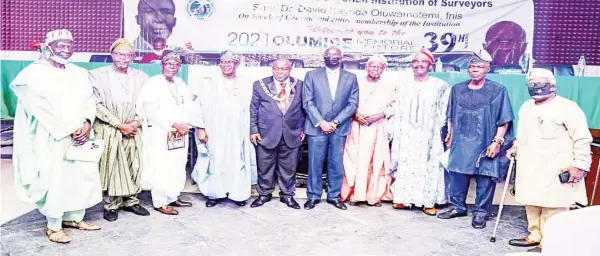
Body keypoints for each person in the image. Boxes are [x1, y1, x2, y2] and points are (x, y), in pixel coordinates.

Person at [10, 29, 101, 243]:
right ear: (48, 47)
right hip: (52, 136)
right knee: (55, 178)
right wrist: (69, 128)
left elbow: (90, 100)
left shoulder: (78, 73)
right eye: (61, 46)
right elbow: (38, 107)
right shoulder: (33, 74)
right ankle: (53, 225)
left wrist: (87, 122)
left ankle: (74, 218)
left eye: (70, 46)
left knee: (80, 175)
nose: (66, 50)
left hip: (81, 135)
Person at [507, 68, 592, 252]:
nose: (536, 87)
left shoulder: (568, 107)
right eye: (532, 84)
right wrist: (515, 147)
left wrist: (579, 165)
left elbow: (582, 139)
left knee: (553, 206)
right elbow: (522, 136)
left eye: (541, 83)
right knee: (531, 201)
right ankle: (534, 235)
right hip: (530, 166)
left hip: (556, 166)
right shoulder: (526, 107)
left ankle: (550, 242)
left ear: (553, 85)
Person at [437, 49, 515, 229]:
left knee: (485, 175)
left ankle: (481, 212)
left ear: (487, 69)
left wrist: (497, 141)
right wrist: (451, 136)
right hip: (461, 140)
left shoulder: (498, 90)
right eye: (471, 67)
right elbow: (452, 116)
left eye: (479, 67)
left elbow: (504, 119)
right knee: (457, 173)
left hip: (486, 139)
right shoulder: (457, 89)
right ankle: (457, 207)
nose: (474, 70)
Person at [89, 38, 151, 222]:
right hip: (110, 127)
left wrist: (135, 122)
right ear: (112, 55)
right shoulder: (96, 75)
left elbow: (148, 104)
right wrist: (118, 124)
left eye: (128, 55)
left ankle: (131, 201)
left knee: (134, 163)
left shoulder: (141, 77)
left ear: (133, 57)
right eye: (119, 54)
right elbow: (95, 104)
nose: (123, 58)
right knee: (112, 165)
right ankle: (111, 204)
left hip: (133, 127)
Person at [136, 50, 199, 215]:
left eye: (176, 64)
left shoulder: (180, 83)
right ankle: (160, 202)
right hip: (161, 132)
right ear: (162, 65)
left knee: (178, 165)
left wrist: (186, 125)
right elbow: (150, 110)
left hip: (180, 134)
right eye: (169, 63)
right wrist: (174, 125)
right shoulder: (153, 83)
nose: (172, 67)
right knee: (162, 166)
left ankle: (173, 197)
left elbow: (189, 107)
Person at [389, 48, 450, 215]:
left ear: (430, 65)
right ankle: (403, 198)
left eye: (423, 62)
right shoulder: (403, 85)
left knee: (428, 165)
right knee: (406, 162)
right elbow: (396, 107)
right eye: (416, 62)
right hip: (406, 132)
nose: (419, 65)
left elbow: (445, 111)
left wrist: (444, 132)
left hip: (429, 134)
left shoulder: (440, 86)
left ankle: (428, 202)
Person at [192, 51, 257, 207]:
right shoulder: (209, 83)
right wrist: (201, 128)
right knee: (216, 159)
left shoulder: (245, 83)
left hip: (238, 130)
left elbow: (252, 107)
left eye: (230, 62)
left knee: (238, 159)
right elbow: (198, 106)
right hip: (215, 129)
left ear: (237, 64)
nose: (226, 65)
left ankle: (238, 194)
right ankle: (215, 194)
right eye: (223, 62)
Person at [302, 46, 359, 210]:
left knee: (336, 163)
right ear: (323, 57)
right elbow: (308, 101)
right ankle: (313, 196)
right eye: (328, 55)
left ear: (341, 58)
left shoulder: (351, 77)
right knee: (314, 163)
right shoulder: (311, 75)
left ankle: (334, 196)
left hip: (339, 128)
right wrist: (322, 122)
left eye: (335, 55)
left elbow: (353, 103)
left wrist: (335, 122)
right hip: (317, 127)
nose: (332, 57)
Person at [249, 59, 305, 209]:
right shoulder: (259, 84)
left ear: (290, 70)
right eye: (276, 68)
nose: (279, 72)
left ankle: (287, 196)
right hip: (265, 134)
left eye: (283, 69)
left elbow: (304, 109)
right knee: (264, 166)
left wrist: (303, 129)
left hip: (291, 133)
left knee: (289, 167)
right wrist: (253, 130)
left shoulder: (299, 85)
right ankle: (264, 194)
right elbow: (253, 109)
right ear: (272, 69)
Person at [340, 55, 394, 207]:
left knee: (376, 161)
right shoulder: (355, 83)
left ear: (383, 69)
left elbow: (395, 105)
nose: (375, 69)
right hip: (357, 127)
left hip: (378, 127)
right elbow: (346, 102)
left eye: (379, 67)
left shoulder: (389, 85)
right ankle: (354, 194)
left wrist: (380, 114)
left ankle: (373, 196)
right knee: (354, 160)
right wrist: (355, 115)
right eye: (372, 66)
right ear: (366, 67)